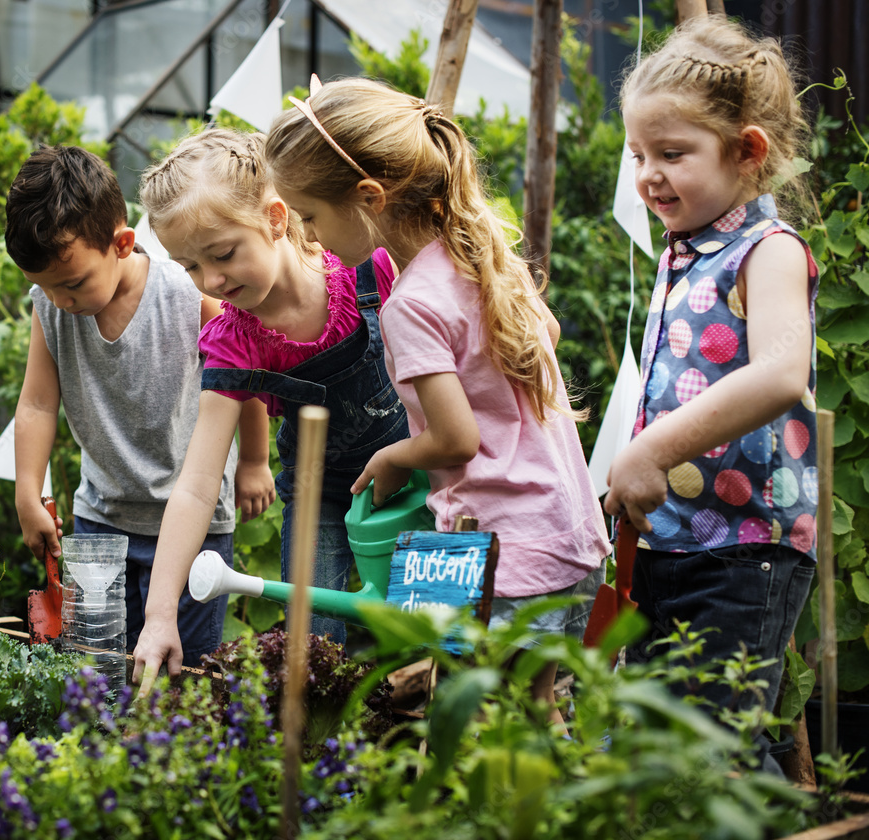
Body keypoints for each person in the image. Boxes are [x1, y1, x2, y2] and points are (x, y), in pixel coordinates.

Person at [264, 77, 611, 724]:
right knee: (541, 714)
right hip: (568, 529)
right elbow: (548, 334)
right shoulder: (480, 257)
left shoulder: (413, 304)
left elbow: (455, 439)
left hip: (505, 552)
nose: (310, 238)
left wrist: (397, 455)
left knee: (491, 723)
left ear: (369, 197)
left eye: (309, 216)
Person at [601, 16, 818, 762]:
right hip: (676, 540)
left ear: (747, 151)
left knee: (712, 750)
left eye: (671, 154)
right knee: (670, 744)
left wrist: (650, 450)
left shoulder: (770, 251)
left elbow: (782, 374)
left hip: (744, 547)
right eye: (638, 155)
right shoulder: (685, 251)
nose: (648, 176)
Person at [131, 127, 409, 687]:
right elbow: (197, 483)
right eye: (189, 267)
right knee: (312, 645)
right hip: (321, 494)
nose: (210, 281)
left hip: (421, 475)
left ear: (277, 218)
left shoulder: (369, 269)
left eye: (223, 254)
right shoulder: (234, 340)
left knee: (427, 632)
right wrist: (160, 612)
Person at [7, 145, 273, 668]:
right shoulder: (52, 307)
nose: (61, 299)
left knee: (185, 676)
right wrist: (26, 492)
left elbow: (244, 376)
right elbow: (37, 404)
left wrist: (254, 461)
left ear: (122, 243)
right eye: (43, 286)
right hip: (100, 519)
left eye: (73, 283)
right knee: (96, 670)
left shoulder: (188, 297)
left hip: (195, 525)